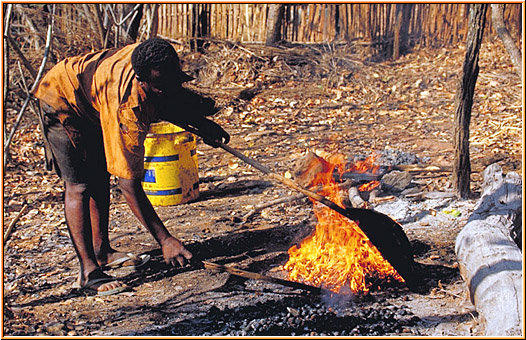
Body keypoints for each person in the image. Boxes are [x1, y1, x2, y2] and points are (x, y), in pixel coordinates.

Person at [33, 37, 230, 296]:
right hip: (61, 101)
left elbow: (165, 96)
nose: (167, 89)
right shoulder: (126, 109)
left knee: (100, 176)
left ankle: (102, 252)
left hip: (91, 101)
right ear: (142, 80)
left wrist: (201, 124)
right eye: (159, 85)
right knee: (80, 185)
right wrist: (165, 240)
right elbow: (128, 183)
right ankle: (88, 272)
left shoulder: (153, 62)